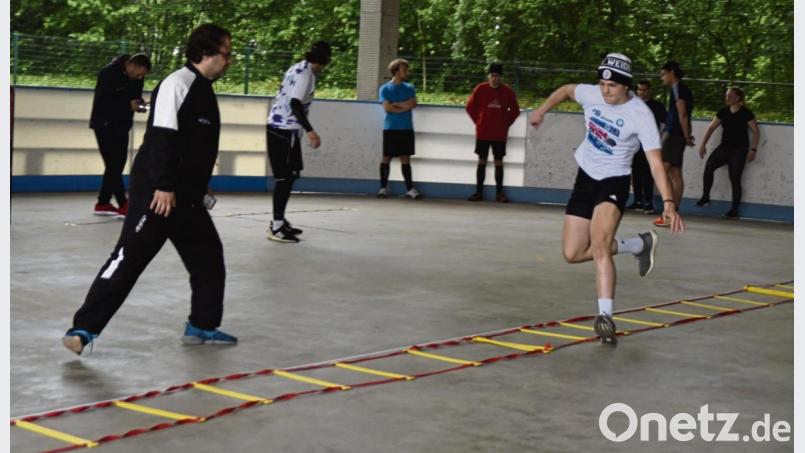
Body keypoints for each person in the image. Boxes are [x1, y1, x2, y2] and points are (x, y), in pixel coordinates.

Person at [62, 24, 237, 355]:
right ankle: (83, 328)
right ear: (205, 53)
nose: (229, 62)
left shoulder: (204, 89)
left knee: (208, 259)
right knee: (129, 258)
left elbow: (196, 146)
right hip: (159, 195)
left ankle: (201, 325)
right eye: (226, 54)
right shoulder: (177, 84)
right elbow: (162, 137)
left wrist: (202, 184)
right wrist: (164, 186)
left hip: (187, 198)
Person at [528, 53, 686, 345]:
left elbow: (654, 163)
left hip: (614, 180)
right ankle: (638, 244)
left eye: (611, 86)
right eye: (601, 84)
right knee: (572, 253)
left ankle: (605, 318)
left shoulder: (641, 115)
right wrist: (541, 111)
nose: (605, 91)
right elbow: (565, 89)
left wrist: (668, 203)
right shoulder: (591, 94)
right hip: (586, 176)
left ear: (626, 85)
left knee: (600, 245)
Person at [266, 41, 332, 243]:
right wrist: (311, 131)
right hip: (283, 131)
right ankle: (276, 226)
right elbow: (295, 103)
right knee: (284, 178)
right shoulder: (306, 75)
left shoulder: (298, 67)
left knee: (291, 175)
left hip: (285, 130)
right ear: (322, 61)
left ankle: (279, 220)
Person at [89, 53, 152, 218]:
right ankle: (123, 204)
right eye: (139, 73)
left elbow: (135, 96)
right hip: (104, 125)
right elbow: (102, 100)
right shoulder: (108, 73)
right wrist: (126, 104)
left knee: (116, 164)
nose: (140, 77)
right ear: (132, 65)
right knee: (114, 165)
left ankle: (103, 203)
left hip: (122, 126)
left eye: (142, 76)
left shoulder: (137, 78)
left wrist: (139, 104)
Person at [695, 87, 760, 218]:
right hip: (724, 148)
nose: (727, 98)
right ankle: (705, 197)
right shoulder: (723, 112)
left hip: (739, 149)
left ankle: (734, 210)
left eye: (730, 96)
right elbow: (711, 128)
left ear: (737, 98)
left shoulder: (746, 113)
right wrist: (703, 144)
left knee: (735, 178)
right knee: (709, 167)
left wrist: (753, 149)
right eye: (726, 95)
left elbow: (756, 132)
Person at [465, 63, 520, 203]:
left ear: (501, 77)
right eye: (492, 75)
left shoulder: (507, 92)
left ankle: (499, 194)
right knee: (481, 160)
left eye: (497, 76)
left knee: (498, 162)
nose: (494, 78)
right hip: (483, 132)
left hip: (499, 134)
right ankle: (478, 192)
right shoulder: (480, 89)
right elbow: (470, 107)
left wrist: (506, 123)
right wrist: (478, 121)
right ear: (488, 76)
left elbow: (515, 110)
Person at [654, 61, 694, 227]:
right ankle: (672, 212)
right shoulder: (680, 89)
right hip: (677, 135)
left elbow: (682, 113)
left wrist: (686, 136)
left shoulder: (678, 88)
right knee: (675, 174)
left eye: (663, 74)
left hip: (674, 135)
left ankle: (670, 212)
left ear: (672, 73)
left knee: (663, 172)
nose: (662, 77)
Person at [377, 58, 422, 200]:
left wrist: (396, 105)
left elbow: (413, 104)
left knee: (405, 158)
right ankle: (383, 188)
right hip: (391, 129)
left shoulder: (409, 87)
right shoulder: (385, 88)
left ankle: (410, 189)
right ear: (396, 72)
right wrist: (403, 106)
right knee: (386, 158)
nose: (406, 72)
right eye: (404, 70)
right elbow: (387, 108)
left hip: (406, 128)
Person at [626, 80, 666, 214]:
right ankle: (637, 200)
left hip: (649, 145)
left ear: (649, 91)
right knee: (635, 172)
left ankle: (648, 202)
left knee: (648, 173)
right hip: (634, 143)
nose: (642, 92)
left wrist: (659, 139)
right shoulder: (632, 105)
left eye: (644, 90)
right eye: (639, 90)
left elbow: (665, 123)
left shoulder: (656, 106)